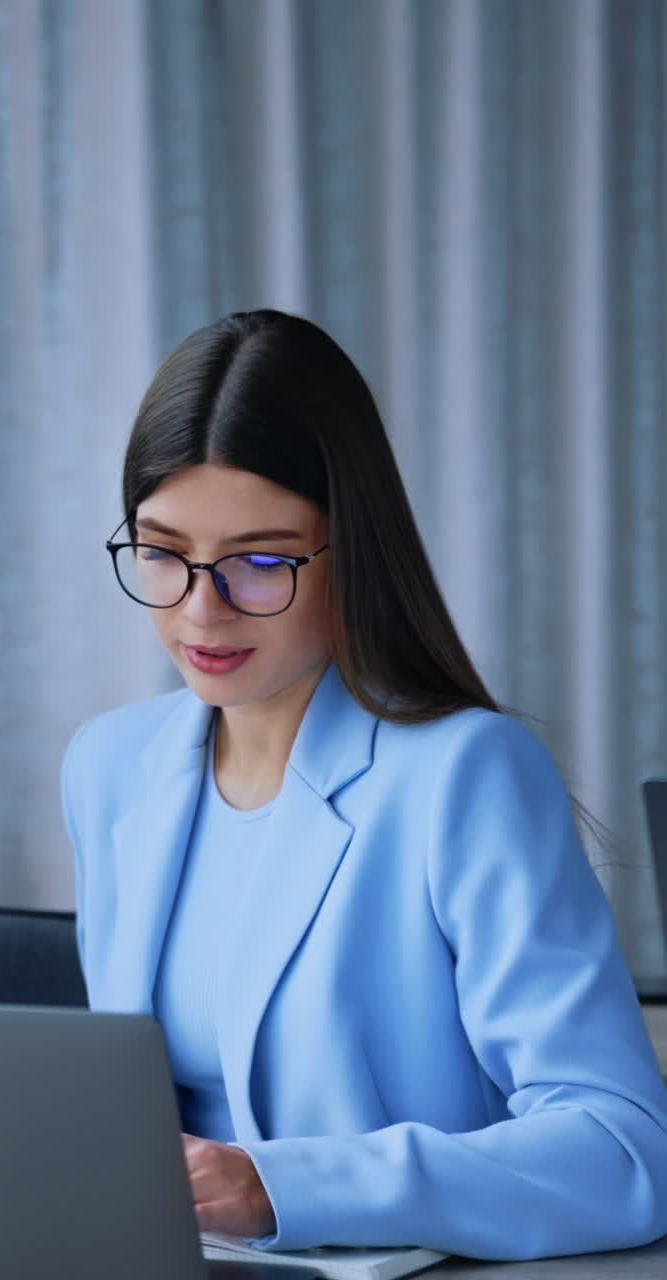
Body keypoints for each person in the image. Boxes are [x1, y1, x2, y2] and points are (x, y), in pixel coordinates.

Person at [61, 309, 667, 1259]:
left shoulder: (464, 775)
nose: (200, 609)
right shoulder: (109, 767)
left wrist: (282, 1189)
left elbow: (624, 1149)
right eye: (163, 552)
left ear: (353, 552)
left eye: (261, 562)